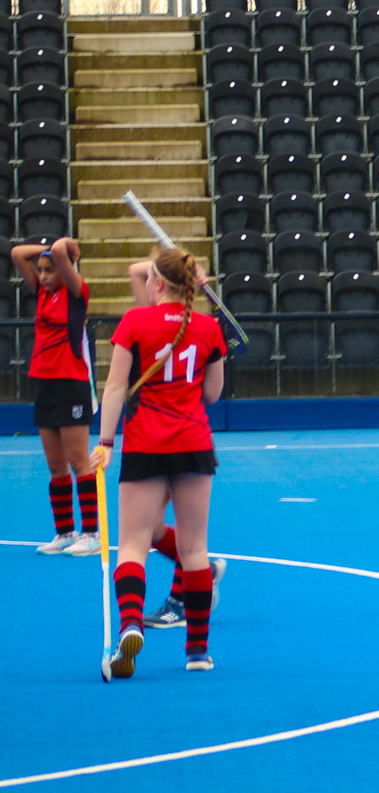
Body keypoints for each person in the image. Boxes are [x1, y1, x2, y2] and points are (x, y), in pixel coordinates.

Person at [92, 247, 228, 676]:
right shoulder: (208, 327)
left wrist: (106, 442)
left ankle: (132, 624)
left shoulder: (135, 321)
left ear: (157, 283)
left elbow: (115, 387)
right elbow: (212, 395)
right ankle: (198, 652)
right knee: (195, 549)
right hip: (193, 443)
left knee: (133, 545)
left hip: (146, 443)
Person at [15, 238, 98, 556]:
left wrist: (61, 247)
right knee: (55, 465)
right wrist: (48, 248)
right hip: (46, 385)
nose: (44, 275)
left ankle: (91, 533)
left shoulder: (77, 293)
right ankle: (65, 532)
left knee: (78, 460)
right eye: (41, 270)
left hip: (72, 384)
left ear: (65, 270)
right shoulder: (42, 292)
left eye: (50, 270)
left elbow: (63, 252)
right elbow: (16, 253)